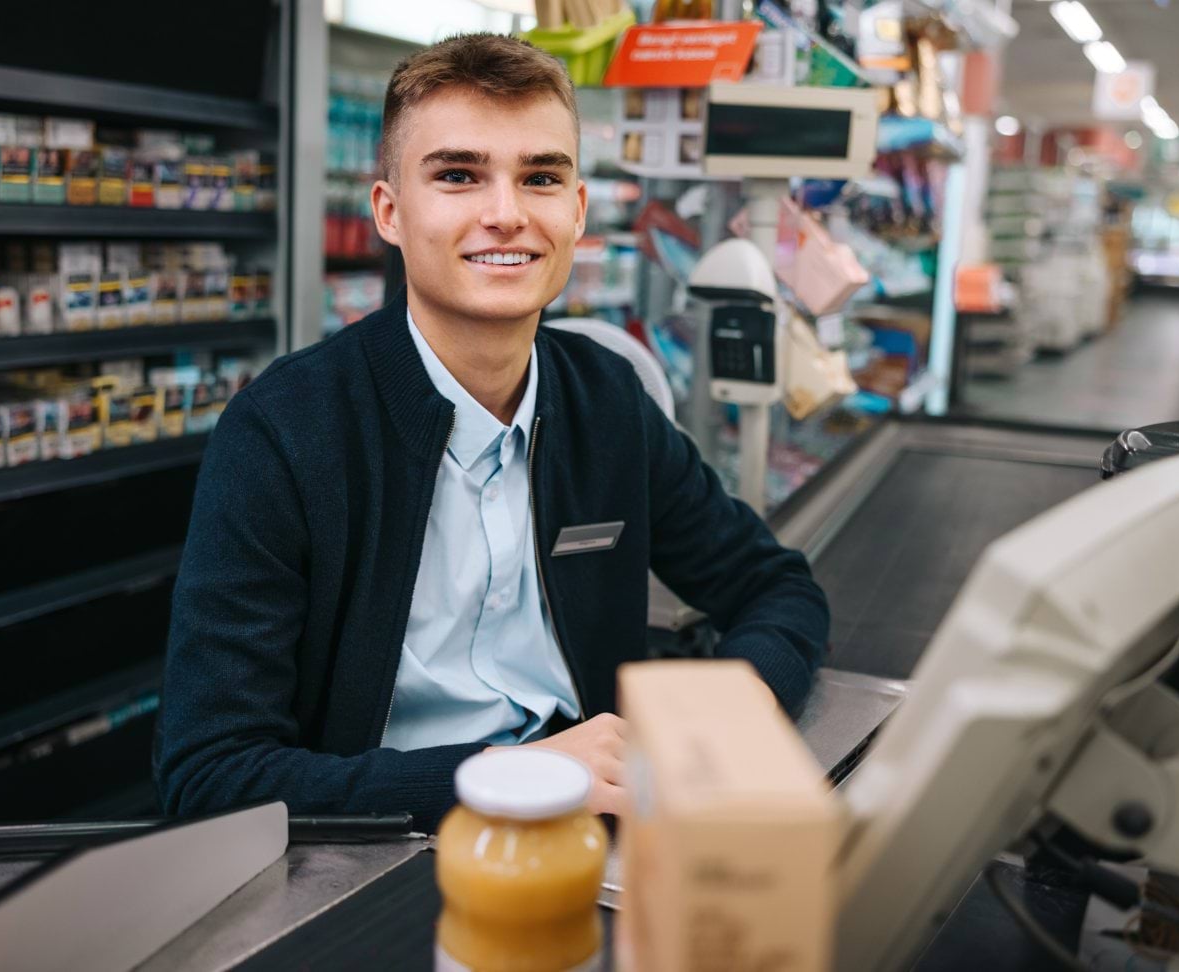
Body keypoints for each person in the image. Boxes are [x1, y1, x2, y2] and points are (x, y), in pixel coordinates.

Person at [154, 33, 828, 831]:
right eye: (458, 175)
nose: (506, 214)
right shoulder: (285, 433)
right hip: (385, 854)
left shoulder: (606, 403)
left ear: (576, 212)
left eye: (541, 177)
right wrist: (513, 777)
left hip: (602, 834)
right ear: (390, 213)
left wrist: (714, 715)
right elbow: (210, 774)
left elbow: (777, 588)